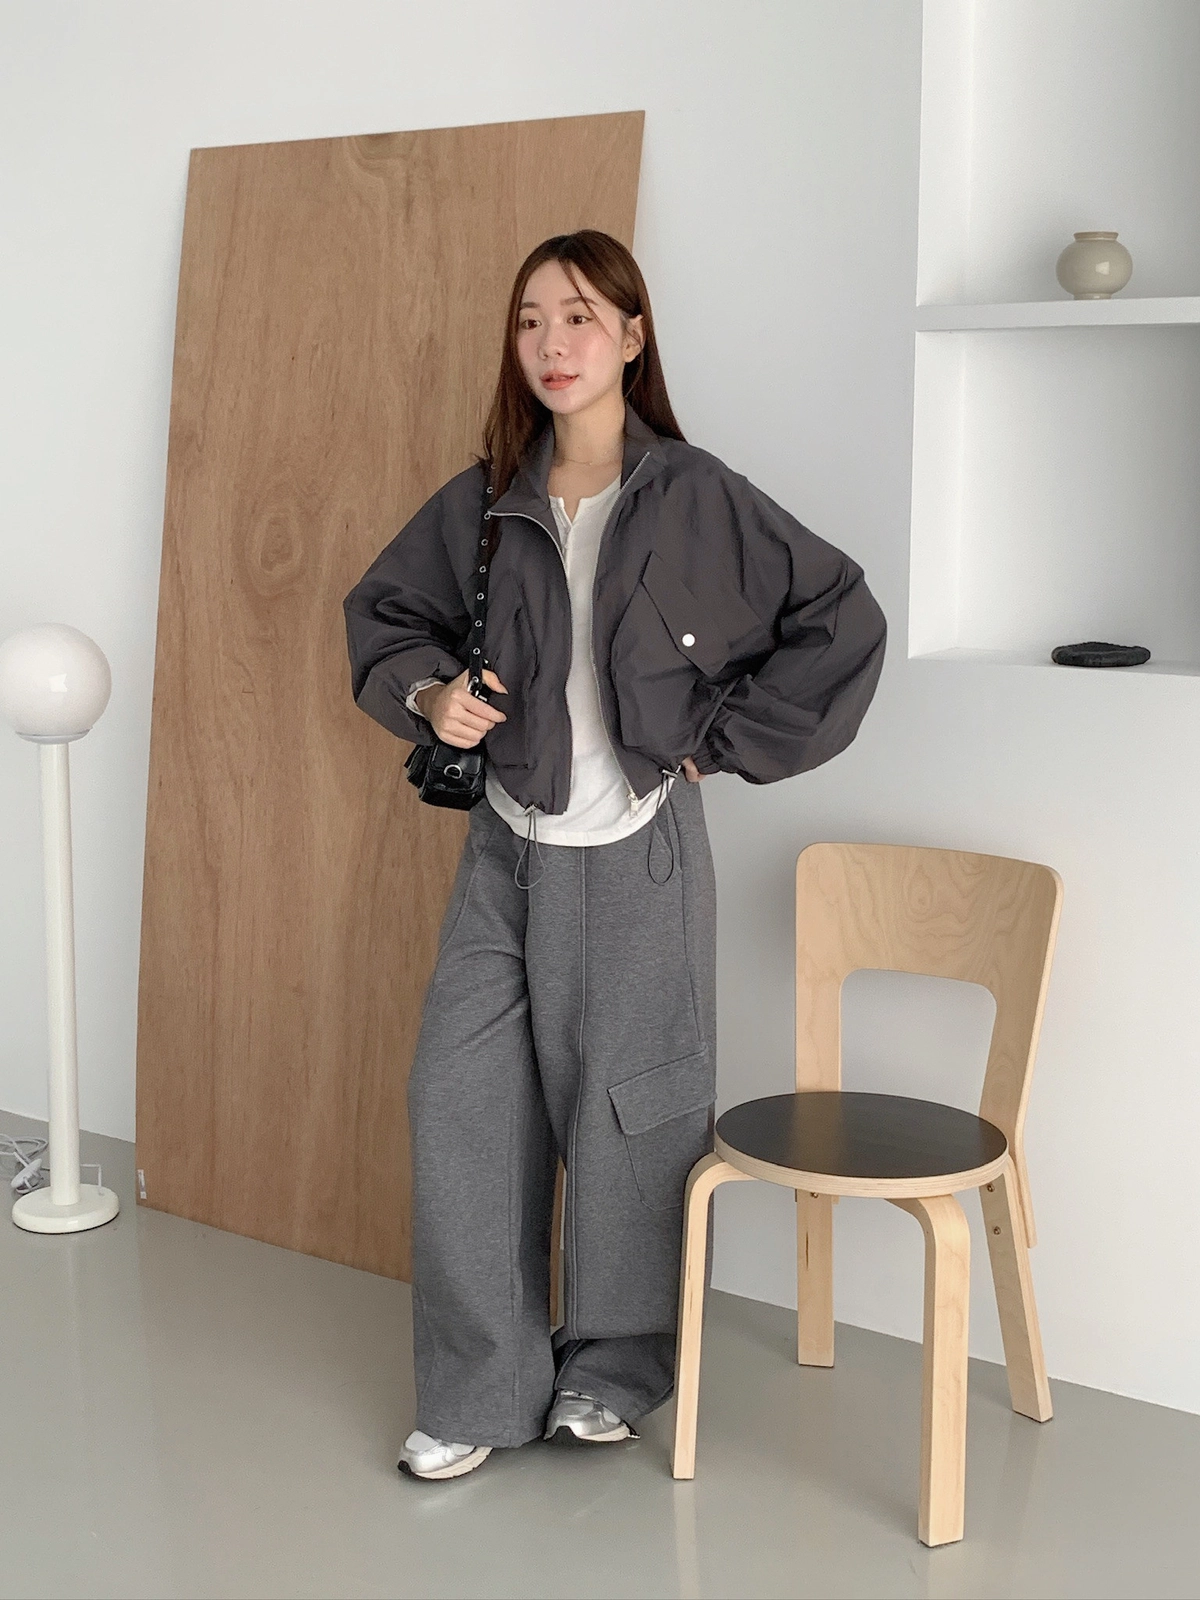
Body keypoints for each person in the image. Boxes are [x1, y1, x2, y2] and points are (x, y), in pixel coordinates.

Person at [342, 230, 887, 1481]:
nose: (553, 343)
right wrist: (431, 697)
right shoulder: (487, 498)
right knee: (460, 1100)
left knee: (635, 1109)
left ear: (633, 337)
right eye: (531, 319)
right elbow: (385, 617)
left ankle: (614, 1371)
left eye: (580, 316)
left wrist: (722, 741)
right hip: (507, 849)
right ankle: (481, 1389)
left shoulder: (696, 494)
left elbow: (841, 617)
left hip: (640, 850)